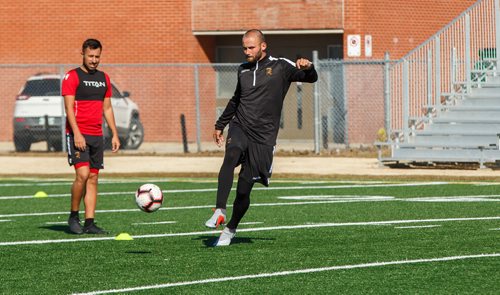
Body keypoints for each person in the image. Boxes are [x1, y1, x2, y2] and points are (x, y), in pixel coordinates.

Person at [205, 29, 318, 246]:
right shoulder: (243, 70)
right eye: (244, 48)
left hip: (264, 137)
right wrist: (221, 124)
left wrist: (309, 67)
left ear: (263, 46)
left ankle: (231, 228)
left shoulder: (281, 66)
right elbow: (236, 100)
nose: (247, 52)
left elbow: (311, 78)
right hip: (240, 126)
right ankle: (219, 210)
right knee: (231, 155)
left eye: (251, 48)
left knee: (244, 189)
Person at [63, 38, 120, 234]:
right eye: (90, 56)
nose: (94, 60)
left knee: (94, 178)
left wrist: (114, 133)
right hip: (78, 134)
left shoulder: (104, 78)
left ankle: (89, 222)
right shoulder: (72, 76)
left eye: (97, 56)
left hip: (97, 135)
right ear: (83, 54)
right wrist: (77, 133)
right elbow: (69, 109)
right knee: (83, 174)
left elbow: (107, 108)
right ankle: (73, 215)